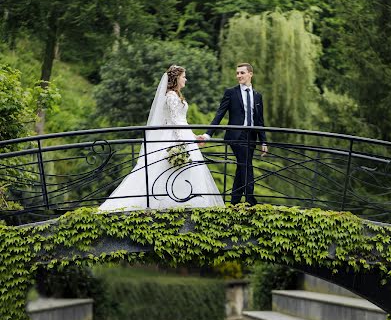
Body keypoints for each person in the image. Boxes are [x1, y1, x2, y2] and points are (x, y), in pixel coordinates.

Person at [99, 65, 224, 211]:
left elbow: (181, 121)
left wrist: (193, 136)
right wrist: (182, 143)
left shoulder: (176, 95)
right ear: (177, 78)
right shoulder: (171, 96)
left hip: (183, 134)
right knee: (171, 169)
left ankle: (183, 202)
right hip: (177, 137)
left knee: (182, 170)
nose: (186, 79)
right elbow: (175, 121)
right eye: (184, 76)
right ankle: (171, 203)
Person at [197, 63, 267, 206]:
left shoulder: (257, 96)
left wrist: (263, 142)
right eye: (237, 73)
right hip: (236, 135)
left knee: (242, 165)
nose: (239, 76)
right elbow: (220, 113)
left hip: (251, 136)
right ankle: (250, 200)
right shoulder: (231, 92)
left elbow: (260, 120)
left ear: (250, 74)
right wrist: (208, 134)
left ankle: (234, 201)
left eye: (242, 73)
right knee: (246, 164)